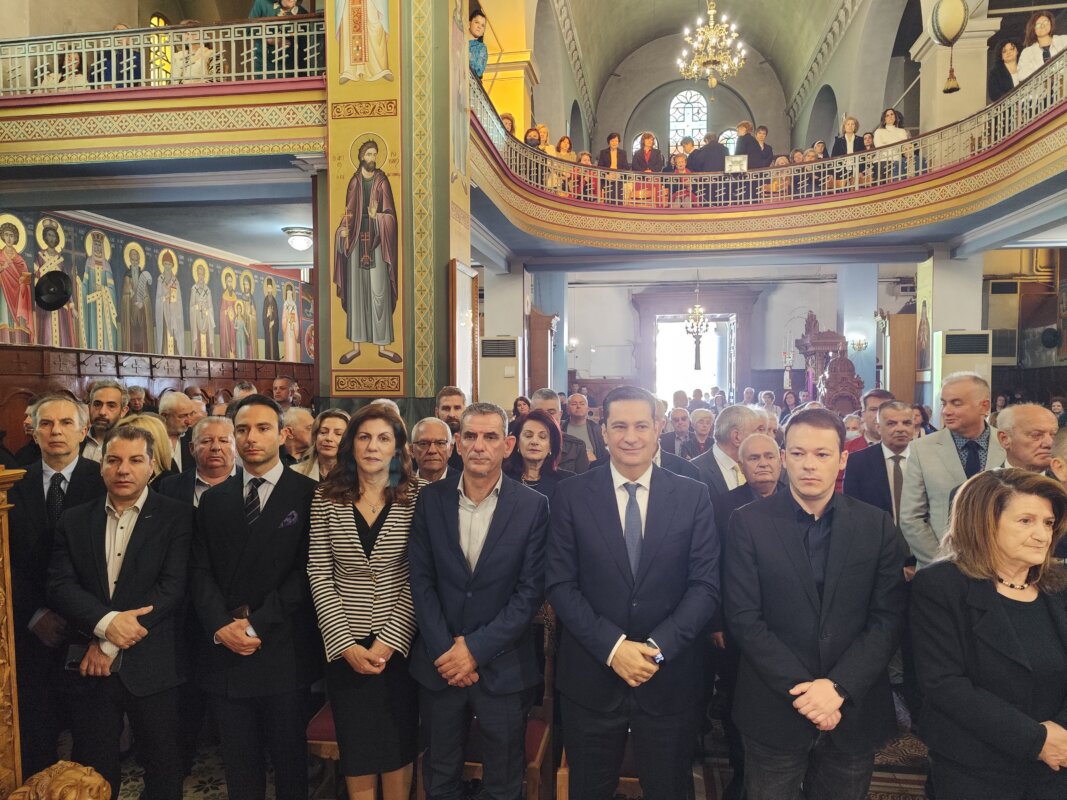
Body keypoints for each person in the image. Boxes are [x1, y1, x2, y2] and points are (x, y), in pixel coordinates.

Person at [724, 408, 907, 800]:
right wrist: (807, 692)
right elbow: (744, 618)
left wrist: (838, 687)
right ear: (784, 457)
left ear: (842, 459)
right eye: (798, 453)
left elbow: (888, 618)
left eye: (822, 454)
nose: (809, 464)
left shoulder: (875, 525)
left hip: (852, 705)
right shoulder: (748, 523)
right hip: (774, 704)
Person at [546, 385, 718, 798]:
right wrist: (614, 648)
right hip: (592, 677)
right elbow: (560, 584)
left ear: (658, 428)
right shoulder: (571, 495)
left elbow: (705, 586)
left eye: (641, 426)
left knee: (670, 789)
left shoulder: (692, 495)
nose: (630, 437)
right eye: (619, 426)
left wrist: (656, 650)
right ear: (603, 431)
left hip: (669, 678)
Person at [409, 402, 549, 800]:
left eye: (490, 437)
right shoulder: (430, 499)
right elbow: (421, 581)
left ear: (508, 445)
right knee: (440, 778)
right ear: (457, 443)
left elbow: (530, 592)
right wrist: (446, 650)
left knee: (503, 784)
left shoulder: (532, 506)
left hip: (503, 666)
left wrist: (474, 650)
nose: (479, 446)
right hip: (440, 665)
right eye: (470, 436)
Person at [46, 425, 192, 800]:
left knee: (164, 767)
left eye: (135, 460)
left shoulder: (178, 517)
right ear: (101, 466)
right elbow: (60, 585)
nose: (123, 469)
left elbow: (172, 588)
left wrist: (109, 644)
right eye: (113, 460)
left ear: (152, 466)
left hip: (154, 664)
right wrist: (106, 625)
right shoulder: (75, 519)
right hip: (90, 666)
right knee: (92, 770)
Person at [190, 394, 320, 800]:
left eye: (263, 428)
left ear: (282, 435)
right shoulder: (214, 498)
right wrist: (220, 625)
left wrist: (256, 624)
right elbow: (200, 571)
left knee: (290, 766)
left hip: (282, 645)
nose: (251, 438)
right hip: (227, 647)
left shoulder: (310, 493)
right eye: (242, 430)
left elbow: (307, 572)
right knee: (239, 766)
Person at [910, 469, 1067, 799]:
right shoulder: (941, 585)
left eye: (1048, 523)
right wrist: (1035, 740)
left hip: (1056, 762)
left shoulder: (1059, 584)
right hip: (975, 766)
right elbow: (943, 683)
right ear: (984, 523)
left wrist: (1060, 734)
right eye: (1026, 521)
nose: (1042, 535)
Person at [309, 404, 423, 800]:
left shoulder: (418, 496)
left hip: (400, 645)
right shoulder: (326, 497)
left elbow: (418, 576)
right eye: (364, 437)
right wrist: (344, 644)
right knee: (356, 745)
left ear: (397, 447)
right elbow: (319, 572)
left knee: (398, 742)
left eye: (383, 438)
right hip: (346, 644)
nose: (373, 446)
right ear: (351, 444)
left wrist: (389, 641)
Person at [10, 395, 106, 777]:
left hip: (90, 631)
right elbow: (7, 561)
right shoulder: (11, 482)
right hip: (30, 632)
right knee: (35, 739)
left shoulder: (105, 480)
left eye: (66, 423)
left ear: (83, 431)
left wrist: (90, 620)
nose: (56, 431)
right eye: (46, 424)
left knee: (92, 746)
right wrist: (34, 615)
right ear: (33, 433)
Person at [711, 432, 783, 798]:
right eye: (754, 458)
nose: (763, 464)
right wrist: (716, 621)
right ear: (741, 466)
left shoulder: (798, 499)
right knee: (736, 699)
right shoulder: (723, 505)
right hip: (736, 624)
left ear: (781, 459)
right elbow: (712, 565)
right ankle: (741, 775)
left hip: (786, 625)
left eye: (769, 456)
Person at [901, 372, 1008, 569]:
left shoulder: (1007, 443)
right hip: (940, 565)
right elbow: (911, 517)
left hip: (1000, 565)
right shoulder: (922, 449)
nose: (946, 411)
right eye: (944, 403)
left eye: (956, 403)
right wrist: (944, 562)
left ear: (984, 407)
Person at [843, 401, 916, 525]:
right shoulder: (857, 462)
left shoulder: (926, 458)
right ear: (878, 428)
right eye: (891, 423)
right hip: (875, 532)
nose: (900, 429)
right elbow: (852, 507)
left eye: (907, 423)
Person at [690, 404, 762, 507]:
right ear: (736, 437)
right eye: (756, 432)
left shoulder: (758, 465)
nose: (761, 438)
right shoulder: (693, 471)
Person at [158, 415, 239, 506]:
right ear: (192, 448)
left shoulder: (250, 483)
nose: (215, 447)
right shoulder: (170, 486)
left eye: (223, 441)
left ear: (236, 448)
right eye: (206, 441)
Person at [503, 407, 576, 501]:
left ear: (551, 445)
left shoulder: (567, 481)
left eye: (542, 437)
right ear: (517, 442)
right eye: (528, 435)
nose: (534, 442)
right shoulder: (502, 478)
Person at [530, 387, 589, 473]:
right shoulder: (520, 445)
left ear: (560, 415)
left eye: (551, 413)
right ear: (530, 415)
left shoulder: (576, 447)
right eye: (540, 413)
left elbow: (583, 480)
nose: (545, 417)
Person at [994, 403, 1058, 472]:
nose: (1050, 443)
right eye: (1036, 435)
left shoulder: (1063, 477)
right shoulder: (988, 478)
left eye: (1054, 435)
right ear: (1004, 439)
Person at [293, 409, 350, 481]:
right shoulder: (295, 472)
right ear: (315, 436)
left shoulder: (357, 476)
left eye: (338, 434)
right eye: (323, 432)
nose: (329, 438)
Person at [82, 379, 129, 463]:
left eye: (111, 406)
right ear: (89, 408)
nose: (102, 412)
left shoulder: (131, 442)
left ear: (123, 411)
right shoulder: (76, 438)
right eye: (97, 405)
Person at [1018, 10, 1067, 81]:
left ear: (1051, 24)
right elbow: (1022, 75)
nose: (1042, 26)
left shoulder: (1064, 41)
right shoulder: (1027, 52)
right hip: (1040, 87)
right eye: (1038, 24)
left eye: (1045, 22)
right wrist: (1047, 74)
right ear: (1033, 29)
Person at [158, 390, 196, 473]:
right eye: (182, 416)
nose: (189, 422)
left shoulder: (193, 436)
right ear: (164, 416)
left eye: (191, 414)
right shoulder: (151, 439)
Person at [564, 392, 606, 461]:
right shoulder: (560, 427)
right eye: (574, 404)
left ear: (587, 409)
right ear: (567, 410)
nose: (578, 406)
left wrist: (595, 462)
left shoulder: (596, 429)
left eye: (582, 404)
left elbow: (603, 456)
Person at [410, 417, 454, 482]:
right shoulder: (401, 485)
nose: (432, 450)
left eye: (440, 443)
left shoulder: (463, 482)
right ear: (412, 450)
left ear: (450, 449)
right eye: (424, 444)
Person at [436, 386, 467, 471]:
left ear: (465, 411)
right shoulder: (426, 446)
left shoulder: (474, 445)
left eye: (457, 408)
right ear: (437, 412)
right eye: (446, 409)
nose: (452, 414)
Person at [873, 108, 908, 180]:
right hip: (882, 159)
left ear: (895, 117)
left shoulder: (902, 131)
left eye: (892, 114)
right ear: (884, 119)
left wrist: (886, 143)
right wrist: (896, 143)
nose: (890, 117)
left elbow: (904, 147)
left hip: (897, 158)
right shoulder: (879, 131)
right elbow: (879, 147)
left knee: (900, 164)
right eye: (887, 115)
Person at [597, 133, 630, 204]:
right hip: (607, 179)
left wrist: (619, 175)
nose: (614, 143)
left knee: (619, 201)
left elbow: (626, 167)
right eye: (612, 141)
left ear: (618, 142)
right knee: (608, 200)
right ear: (609, 142)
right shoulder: (603, 152)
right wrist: (606, 175)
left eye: (616, 141)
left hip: (619, 179)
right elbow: (600, 167)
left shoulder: (623, 153)